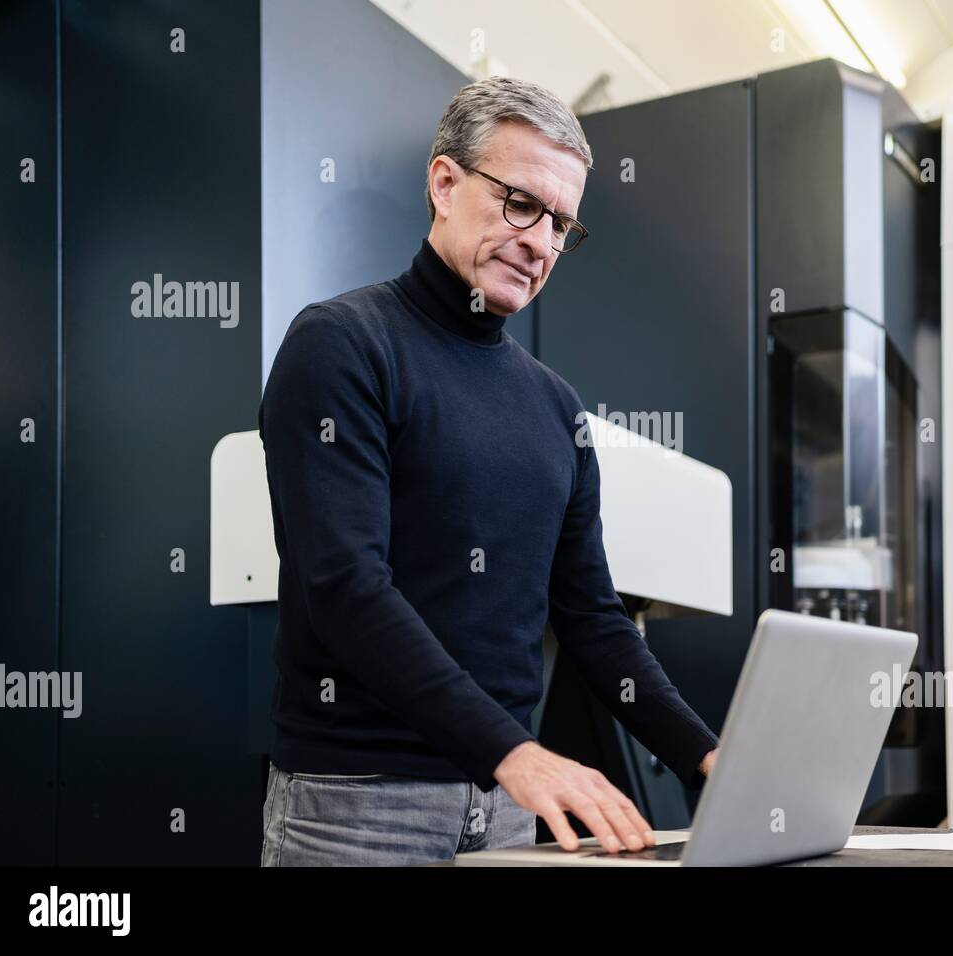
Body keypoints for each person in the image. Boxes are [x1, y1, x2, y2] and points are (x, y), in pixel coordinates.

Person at [258, 76, 718, 866]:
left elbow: (595, 621)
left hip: (506, 815)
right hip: (357, 812)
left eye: (562, 225)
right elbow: (344, 587)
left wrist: (710, 759)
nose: (541, 241)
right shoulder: (341, 345)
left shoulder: (554, 406)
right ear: (444, 183)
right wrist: (515, 752)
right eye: (522, 203)